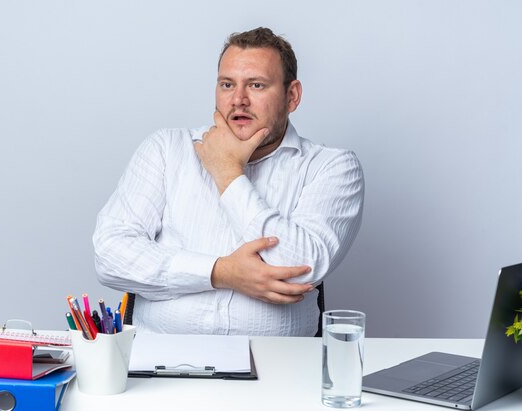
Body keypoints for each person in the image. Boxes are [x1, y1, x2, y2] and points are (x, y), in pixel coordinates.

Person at [93, 27, 364, 336]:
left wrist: (228, 173)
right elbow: (110, 254)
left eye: (257, 85)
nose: (238, 100)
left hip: (280, 371)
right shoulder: (167, 149)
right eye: (227, 84)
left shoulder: (332, 167)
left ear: (292, 96)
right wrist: (221, 272)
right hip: (159, 366)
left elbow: (302, 266)